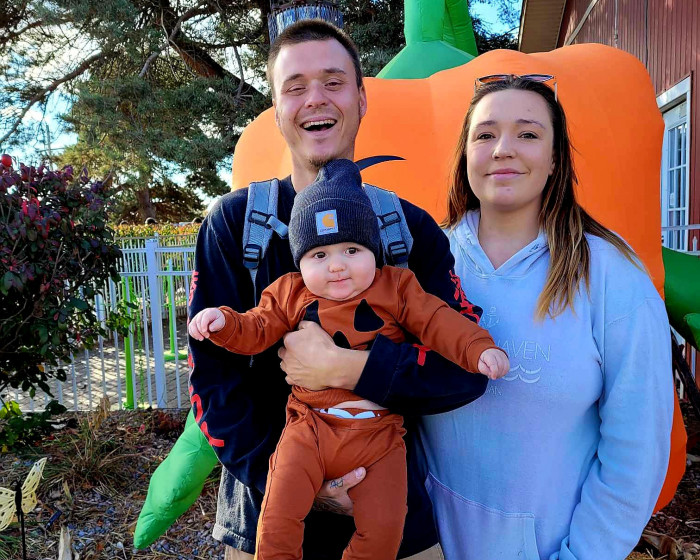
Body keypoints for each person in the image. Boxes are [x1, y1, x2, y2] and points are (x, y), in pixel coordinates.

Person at [188, 19, 491, 560]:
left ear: (362, 97)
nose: (315, 99)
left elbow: (464, 372)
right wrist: (296, 482)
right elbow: (212, 382)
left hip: (395, 525)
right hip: (265, 520)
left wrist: (351, 368)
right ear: (276, 109)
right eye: (295, 87)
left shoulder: (409, 230)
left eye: (333, 81)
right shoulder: (233, 227)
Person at [419, 75, 675, 560]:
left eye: (528, 133)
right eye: (486, 134)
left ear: (556, 159)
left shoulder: (611, 276)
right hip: (423, 547)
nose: (503, 149)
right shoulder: (426, 260)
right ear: (465, 154)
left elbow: (636, 450)